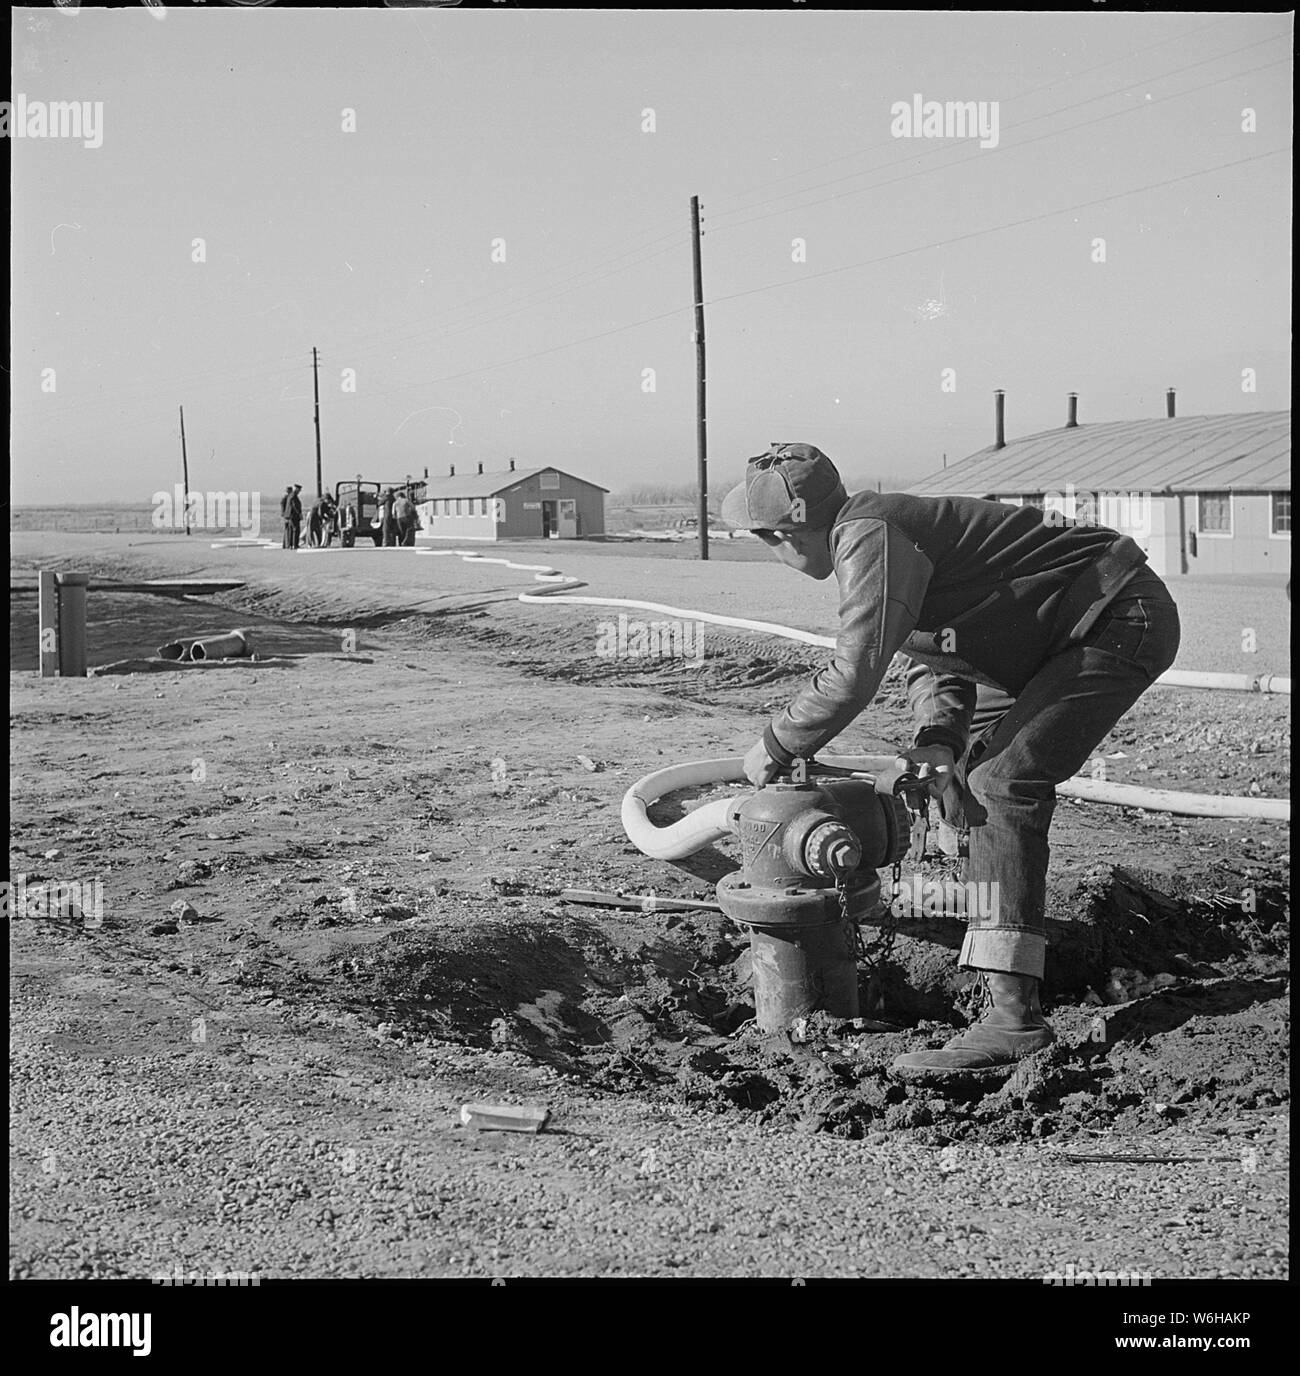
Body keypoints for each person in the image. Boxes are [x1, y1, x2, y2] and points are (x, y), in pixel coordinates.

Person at [721, 443, 1180, 1081]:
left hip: (1113, 615)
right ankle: (996, 936)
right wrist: (939, 739)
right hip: (1049, 637)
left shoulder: (868, 534)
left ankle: (1013, 1018)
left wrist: (778, 744)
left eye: (766, 538)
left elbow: (854, 673)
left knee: (1002, 782)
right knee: (958, 777)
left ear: (787, 530)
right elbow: (935, 657)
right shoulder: (884, 535)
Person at [280, 485, 296, 549]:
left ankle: (286, 544)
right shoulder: (287, 497)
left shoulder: (287, 497)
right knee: (288, 529)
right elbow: (283, 505)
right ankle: (288, 544)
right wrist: (283, 512)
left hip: (286, 515)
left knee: (287, 530)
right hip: (287, 515)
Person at [289, 484, 304, 549]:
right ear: (296, 489)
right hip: (294, 515)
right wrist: (299, 513)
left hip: (292, 515)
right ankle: (295, 544)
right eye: (299, 490)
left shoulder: (291, 495)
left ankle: (291, 544)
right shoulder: (294, 496)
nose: (299, 492)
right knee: (296, 530)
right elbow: (295, 506)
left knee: (292, 530)